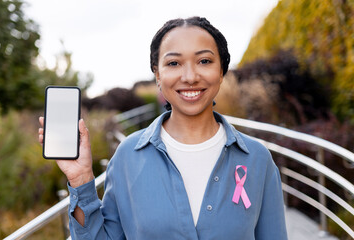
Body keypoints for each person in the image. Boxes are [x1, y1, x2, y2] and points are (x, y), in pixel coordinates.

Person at [39, 16, 288, 240]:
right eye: (174, 63)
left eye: (204, 60)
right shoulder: (128, 156)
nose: (190, 76)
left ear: (221, 71)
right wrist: (81, 179)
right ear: (157, 75)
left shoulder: (257, 159)